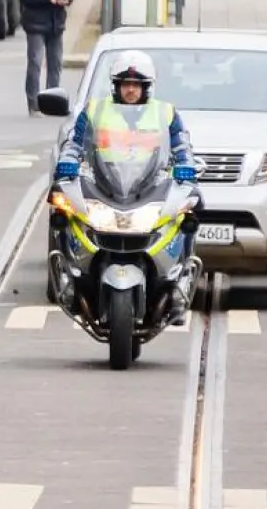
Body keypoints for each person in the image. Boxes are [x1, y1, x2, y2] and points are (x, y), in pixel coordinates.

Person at [54, 51, 199, 325]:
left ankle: (180, 282)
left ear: (146, 87)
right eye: (125, 84)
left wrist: (186, 167)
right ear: (116, 86)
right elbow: (74, 143)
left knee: (188, 210)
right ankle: (71, 279)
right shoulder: (95, 110)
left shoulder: (165, 113)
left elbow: (182, 146)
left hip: (149, 187)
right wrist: (68, 162)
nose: (130, 90)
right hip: (106, 186)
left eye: (136, 84)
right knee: (61, 208)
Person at [16, 0, 78, 115]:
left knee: (55, 63)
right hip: (35, 22)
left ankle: (52, 101)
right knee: (35, 62)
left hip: (56, 22)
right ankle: (34, 103)